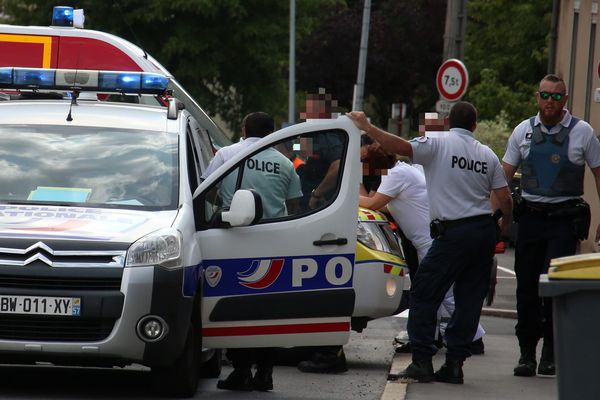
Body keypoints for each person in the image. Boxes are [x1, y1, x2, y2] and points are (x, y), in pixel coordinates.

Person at [347, 102, 512, 384]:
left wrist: (367, 127)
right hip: (482, 231)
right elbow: (505, 198)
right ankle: (455, 364)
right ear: (474, 126)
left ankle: (422, 361)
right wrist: (502, 227)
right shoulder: (487, 155)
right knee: (468, 299)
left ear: (448, 123)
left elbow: (397, 145)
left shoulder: (438, 144)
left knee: (424, 292)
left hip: (453, 233)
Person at [502, 74, 600, 377]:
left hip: (563, 221)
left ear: (565, 100)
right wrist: (496, 216)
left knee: (556, 289)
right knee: (527, 288)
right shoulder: (523, 131)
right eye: (545, 95)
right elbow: (502, 177)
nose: (550, 102)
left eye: (556, 96)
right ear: (537, 97)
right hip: (530, 219)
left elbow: (599, 175)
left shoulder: (583, 133)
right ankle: (526, 354)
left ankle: (551, 354)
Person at [358, 139, 486, 356]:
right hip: (429, 240)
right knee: (439, 294)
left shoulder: (396, 176)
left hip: (429, 242)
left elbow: (372, 204)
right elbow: (385, 206)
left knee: (441, 294)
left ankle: (473, 338)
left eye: (364, 164)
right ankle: (437, 337)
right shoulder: (402, 171)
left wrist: (350, 190)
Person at [205, 112, 303, 391]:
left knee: (237, 307)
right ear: (273, 133)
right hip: (274, 243)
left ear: (244, 129)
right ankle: (265, 373)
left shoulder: (226, 154)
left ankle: (241, 371)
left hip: (233, 240)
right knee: (269, 311)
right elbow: (294, 207)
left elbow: (206, 192)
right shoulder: (286, 163)